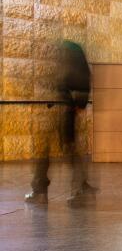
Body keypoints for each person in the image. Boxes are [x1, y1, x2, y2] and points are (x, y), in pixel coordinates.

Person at [26, 41, 95, 206]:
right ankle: (79, 190)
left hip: (55, 105)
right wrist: (79, 103)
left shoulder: (65, 50)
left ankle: (41, 191)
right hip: (63, 105)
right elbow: (82, 78)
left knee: (47, 148)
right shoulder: (71, 50)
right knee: (67, 147)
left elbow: (73, 78)